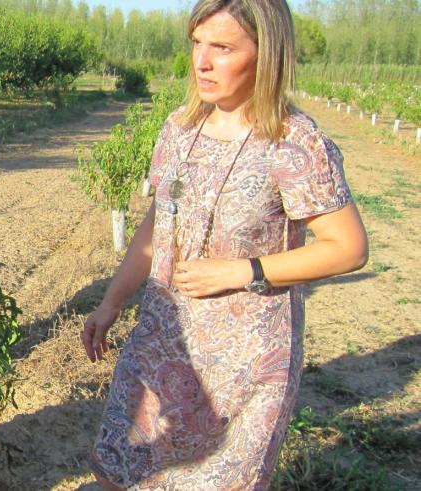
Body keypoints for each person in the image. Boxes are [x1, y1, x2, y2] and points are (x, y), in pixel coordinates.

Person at [79, 0, 368, 489]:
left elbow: (348, 247)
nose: (202, 62)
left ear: (266, 53)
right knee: (122, 472)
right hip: (161, 342)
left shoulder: (293, 141)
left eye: (222, 47)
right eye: (197, 43)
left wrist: (243, 271)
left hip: (247, 365)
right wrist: (112, 301)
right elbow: (156, 224)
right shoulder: (180, 128)